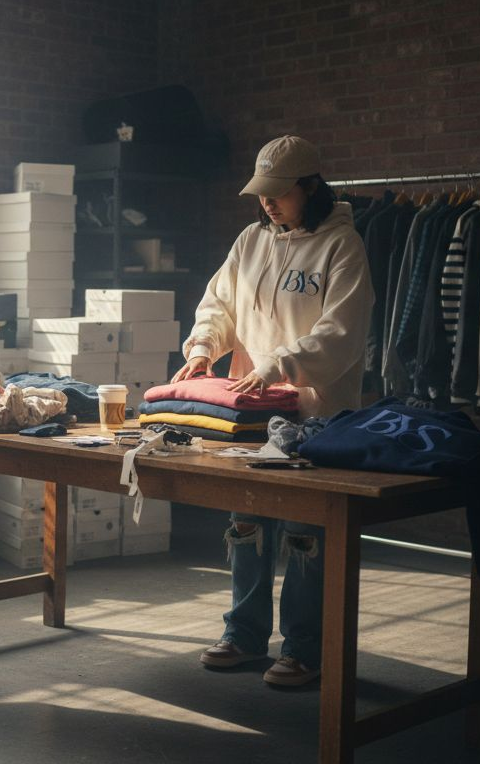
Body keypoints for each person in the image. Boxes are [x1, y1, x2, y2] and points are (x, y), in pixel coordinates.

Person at [172, 134, 373, 687]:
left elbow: (342, 332)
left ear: (311, 187)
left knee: (305, 532)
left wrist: (280, 364)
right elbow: (220, 303)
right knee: (245, 522)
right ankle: (244, 634)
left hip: (317, 413)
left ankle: (305, 648)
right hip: (252, 410)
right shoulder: (251, 241)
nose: (267, 203)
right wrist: (201, 350)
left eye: (279, 193)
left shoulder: (342, 247)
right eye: (262, 194)